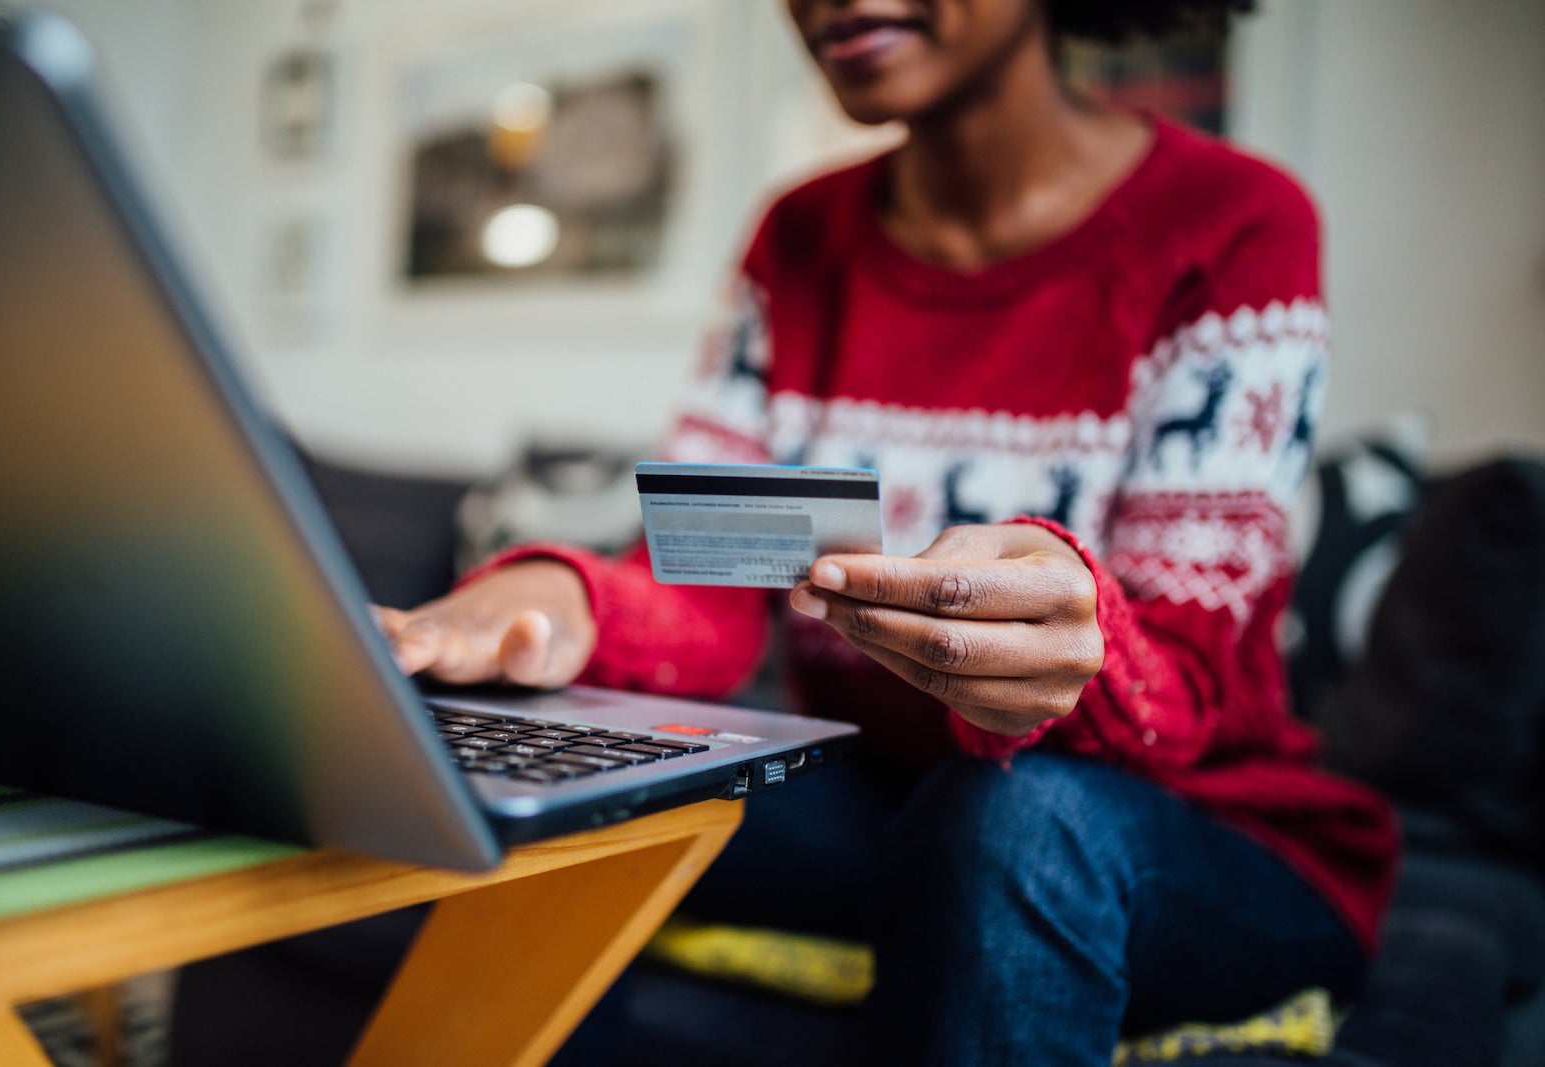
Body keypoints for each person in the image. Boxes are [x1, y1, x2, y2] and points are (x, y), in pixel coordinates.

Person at [375, 0, 1400, 1062]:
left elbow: (1189, 687)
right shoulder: (799, 236)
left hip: (1200, 828)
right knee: (596, 790)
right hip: (898, 801)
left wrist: (1081, 639)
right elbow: (705, 591)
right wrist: (556, 600)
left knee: (1013, 820)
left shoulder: (1234, 220)